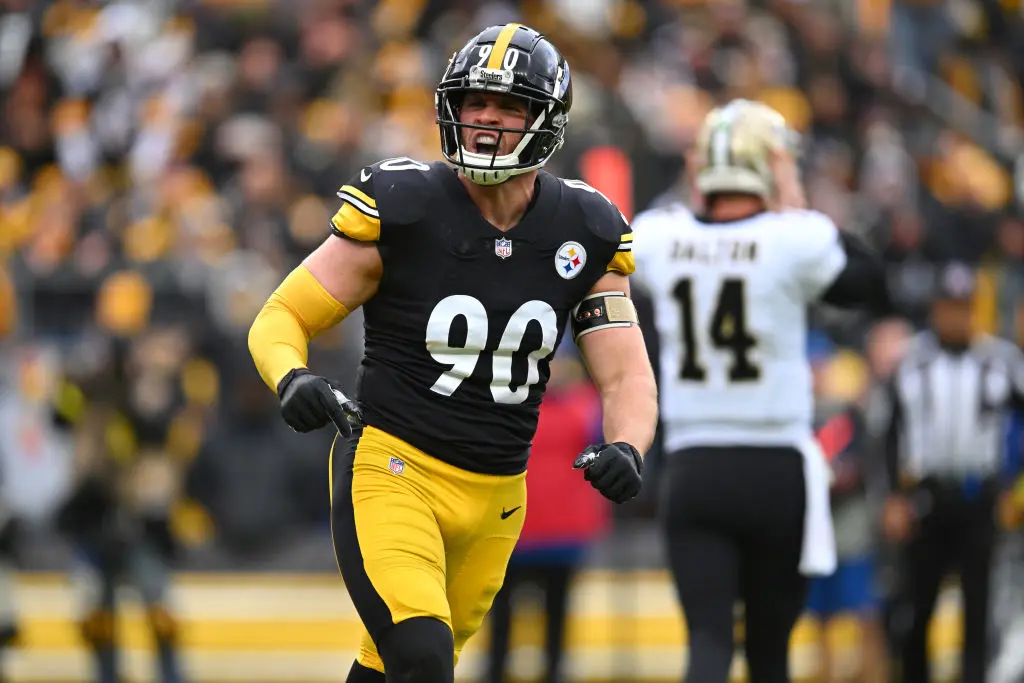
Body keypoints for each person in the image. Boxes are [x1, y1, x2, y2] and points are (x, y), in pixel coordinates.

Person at [248, 23, 658, 683]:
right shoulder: (405, 206)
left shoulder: (584, 228)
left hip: (498, 494)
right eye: (474, 102)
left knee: (392, 667)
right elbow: (282, 314)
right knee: (423, 657)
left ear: (546, 119)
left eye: (510, 105)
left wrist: (628, 443)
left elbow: (625, 372)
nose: (487, 119)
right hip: (394, 468)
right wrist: (290, 375)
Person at [631, 99, 891, 683]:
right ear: (771, 166)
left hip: (695, 466)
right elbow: (870, 281)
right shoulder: (796, 238)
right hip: (775, 468)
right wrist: (796, 200)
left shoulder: (658, 236)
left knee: (707, 642)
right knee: (771, 653)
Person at [880, 262, 1024, 683]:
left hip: (979, 497)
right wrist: (893, 496)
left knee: (978, 610)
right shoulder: (912, 362)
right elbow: (889, 432)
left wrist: (1011, 486)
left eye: (963, 307)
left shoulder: (1001, 361)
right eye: (949, 306)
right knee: (916, 608)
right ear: (935, 308)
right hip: (926, 497)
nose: (955, 316)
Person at [484, 340, 608, 683]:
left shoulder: (585, 405)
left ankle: (553, 672)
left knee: (556, 616)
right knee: (499, 619)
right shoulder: (505, 402)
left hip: (562, 535)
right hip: (510, 534)